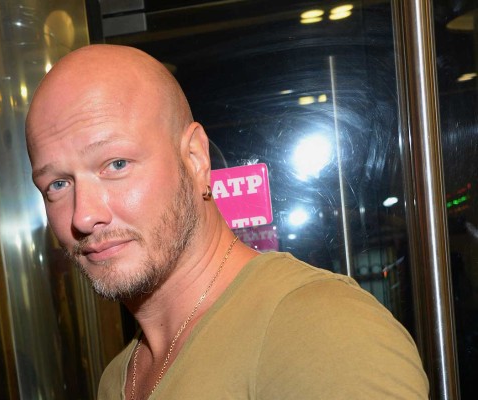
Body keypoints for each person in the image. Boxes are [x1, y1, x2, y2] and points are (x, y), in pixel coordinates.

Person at [25, 44, 429, 399]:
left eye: (116, 164)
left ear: (195, 159)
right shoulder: (119, 378)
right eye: (57, 184)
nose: (84, 215)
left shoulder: (321, 330)